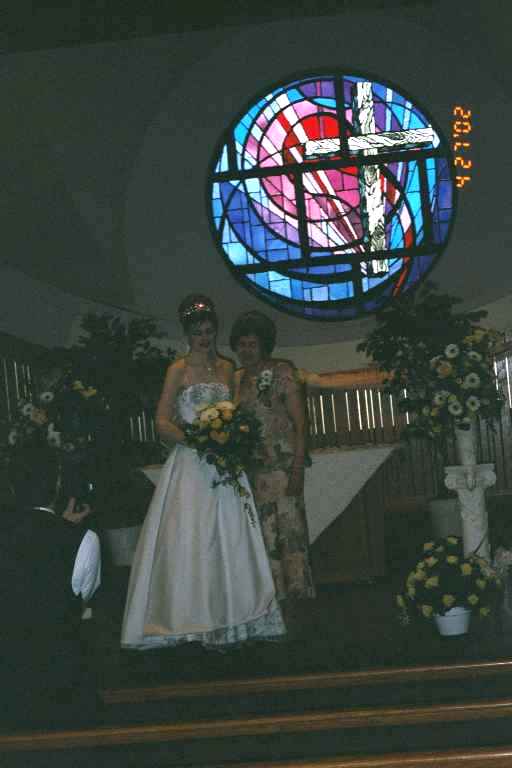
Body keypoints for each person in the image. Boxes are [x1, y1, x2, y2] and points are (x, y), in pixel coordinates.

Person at [121, 295, 285, 650]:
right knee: (192, 537)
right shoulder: (177, 370)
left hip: (225, 463)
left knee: (231, 536)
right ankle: (189, 619)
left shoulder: (227, 368)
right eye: (198, 332)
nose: (204, 338)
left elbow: (236, 413)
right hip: (192, 463)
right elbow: (162, 422)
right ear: (187, 333)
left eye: (209, 331)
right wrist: (198, 440)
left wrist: (232, 437)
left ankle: (235, 618)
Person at [231, 311, 316, 637]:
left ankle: (297, 612)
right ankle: (271, 610)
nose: (247, 350)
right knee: (263, 541)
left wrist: (297, 468)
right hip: (251, 473)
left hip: (281, 470)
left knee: (290, 539)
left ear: (264, 344)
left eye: (253, 344)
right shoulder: (236, 379)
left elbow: (300, 423)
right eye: (242, 344)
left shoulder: (282, 371)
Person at [0, 447, 101, 720]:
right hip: (62, 684)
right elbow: (82, 596)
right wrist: (63, 528)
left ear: (11, 484)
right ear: (57, 484)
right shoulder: (83, 538)